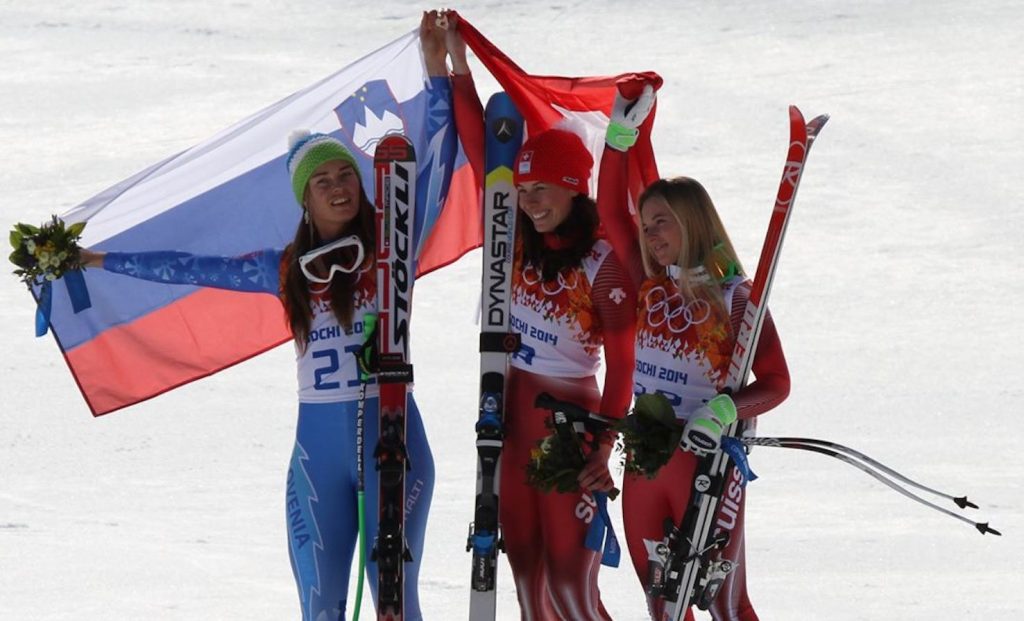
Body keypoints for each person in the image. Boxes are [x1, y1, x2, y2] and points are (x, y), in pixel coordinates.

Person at [79, 12, 457, 621]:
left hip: (393, 438)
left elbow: (436, 163)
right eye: (322, 182)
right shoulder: (284, 270)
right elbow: (187, 267)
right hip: (317, 449)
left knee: (396, 603)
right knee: (319, 606)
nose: (337, 187)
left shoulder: (394, 243)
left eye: (344, 176)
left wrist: (441, 67)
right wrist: (98, 258)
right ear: (304, 199)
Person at [445, 15, 637, 620]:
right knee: (526, 574)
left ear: (575, 188)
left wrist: (601, 447)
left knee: (570, 588)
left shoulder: (603, 262)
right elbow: (484, 151)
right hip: (507, 416)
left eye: (542, 190)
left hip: (568, 424)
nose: (529, 201)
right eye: (523, 192)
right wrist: (455, 66)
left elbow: (624, 367)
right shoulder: (514, 241)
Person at [599, 109, 791, 619]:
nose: (651, 233)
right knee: (663, 605)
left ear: (694, 221)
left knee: (725, 604)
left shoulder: (736, 297)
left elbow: (776, 382)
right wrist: (618, 139)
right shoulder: (648, 281)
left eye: (663, 221)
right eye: (647, 224)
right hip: (647, 457)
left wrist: (726, 409)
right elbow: (610, 215)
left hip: (707, 459)